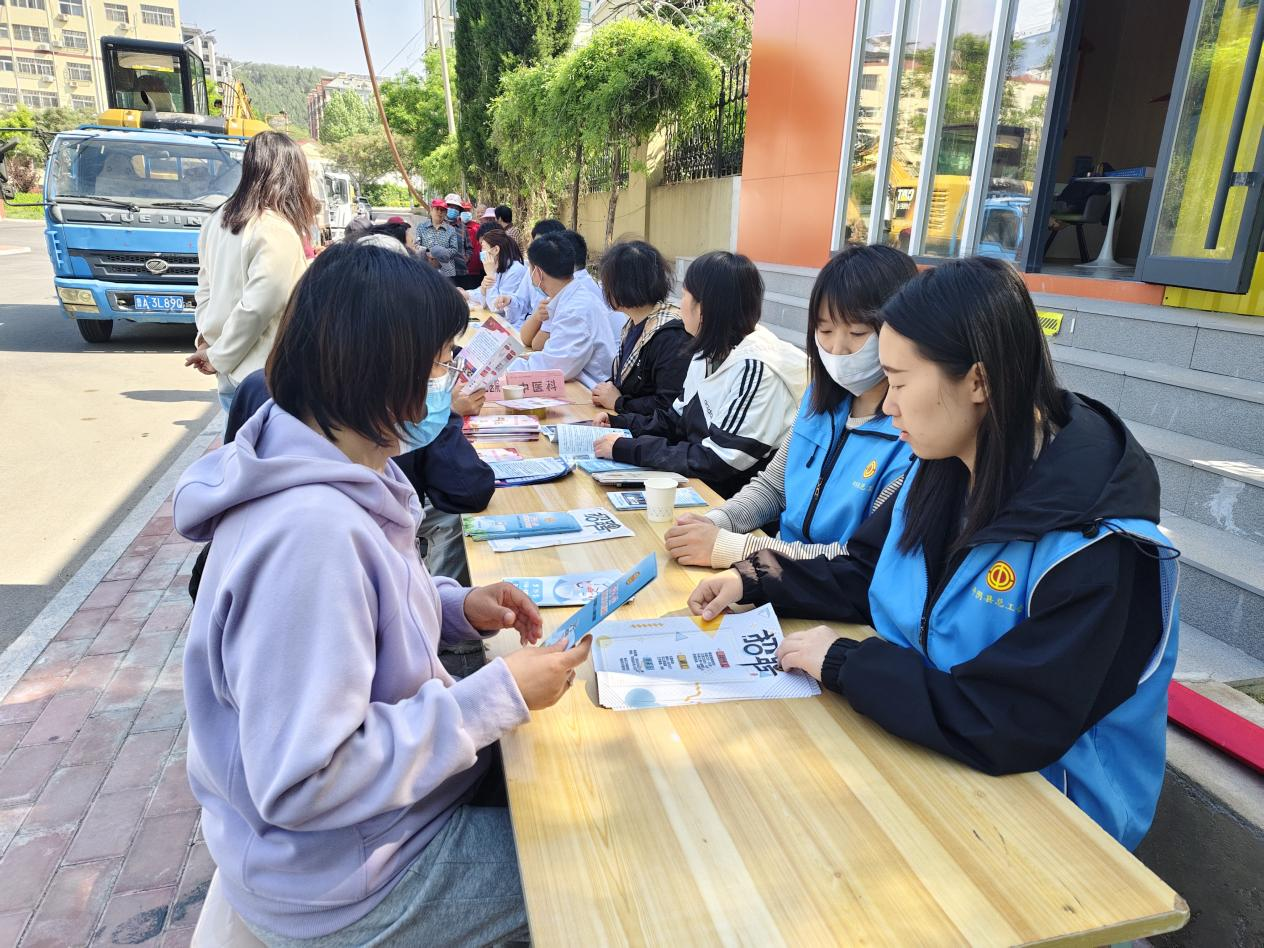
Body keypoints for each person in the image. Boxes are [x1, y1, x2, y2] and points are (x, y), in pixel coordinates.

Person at [175, 241, 591, 945]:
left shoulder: (331, 463)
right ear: (380, 368)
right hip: (348, 876)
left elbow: (363, 612)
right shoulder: (310, 536)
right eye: (440, 363)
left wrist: (456, 608)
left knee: (570, 784)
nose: (449, 380)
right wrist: (496, 696)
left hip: (376, 828)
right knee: (605, 874)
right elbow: (308, 778)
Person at [688, 256, 1180, 851]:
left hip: (1048, 822)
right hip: (925, 755)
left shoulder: (1099, 547)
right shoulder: (942, 468)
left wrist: (846, 664)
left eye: (898, 382)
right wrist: (756, 579)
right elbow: (865, 569)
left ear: (977, 382)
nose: (886, 404)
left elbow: (1010, 717)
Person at [665, 245, 916, 569]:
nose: (837, 349)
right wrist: (716, 521)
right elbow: (773, 487)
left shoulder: (911, 436)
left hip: (812, 582)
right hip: (774, 571)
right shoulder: (818, 401)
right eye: (825, 331)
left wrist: (732, 546)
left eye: (858, 332)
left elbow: (860, 561)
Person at [592, 251, 807, 499]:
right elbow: (676, 420)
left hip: (732, 501)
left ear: (703, 307)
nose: (680, 303)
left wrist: (627, 448)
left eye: (684, 295)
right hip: (701, 485)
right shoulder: (707, 349)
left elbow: (718, 460)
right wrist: (621, 424)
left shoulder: (756, 368)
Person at [187, 131, 315, 415]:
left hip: (229, 372)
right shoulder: (275, 229)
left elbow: (205, 290)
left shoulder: (216, 220)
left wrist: (208, 342)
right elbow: (257, 309)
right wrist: (217, 355)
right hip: (262, 375)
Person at [589, 239, 691, 417]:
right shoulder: (634, 324)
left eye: (607, 283)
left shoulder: (671, 334)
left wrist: (619, 403)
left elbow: (668, 405)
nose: (605, 289)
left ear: (623, 286)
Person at [505, 232, 616, 386]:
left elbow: (553, 368)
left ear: (537, 273)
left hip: (587, 390)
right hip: (577, 380)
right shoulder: (569, 297)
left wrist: (503, 366)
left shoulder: (575, 310)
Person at [519, 229, 617, 348]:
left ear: (538, 273)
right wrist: (537, 316)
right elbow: (527, 339)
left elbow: (537, 345)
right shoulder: (568, 290)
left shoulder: (575, 304)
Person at [494, 218, 563, 328]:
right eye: (536, 244)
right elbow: (521, 301)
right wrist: (510, 300)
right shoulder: (532, 269)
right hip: (525, 326)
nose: (538, 250)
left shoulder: (563, 275)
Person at [466, 228, 527, 314]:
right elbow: (484, 299)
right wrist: (468, 293)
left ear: (496, 250)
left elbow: (496, 307)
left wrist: (490, 274)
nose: (481, 252)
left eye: (483, 247)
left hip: (512, 321)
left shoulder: (516, 270)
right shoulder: (498, 267)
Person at [415, 196, 466, 278]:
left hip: (446, 271)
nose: (439, 212)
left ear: (445, 213)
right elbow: (416, 246)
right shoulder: (421, 227)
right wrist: (428, 253)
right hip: (425, 268)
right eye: (437, 209)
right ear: (431, 210)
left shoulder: (451, 229)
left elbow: (454, 250)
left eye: (442, 210)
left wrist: (439, 256)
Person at [457, 200, 483, 291]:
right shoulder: (454, 226)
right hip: (458, 270)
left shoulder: (477, 227)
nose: (465, 212)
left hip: (475, 269)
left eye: (467, 210)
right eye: (463, 210)